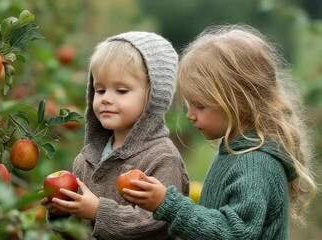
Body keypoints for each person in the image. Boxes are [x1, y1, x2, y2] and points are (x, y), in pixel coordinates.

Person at [122, 24, 318, 239]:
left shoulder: (254, 165)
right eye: (189, 105)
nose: (190, 115)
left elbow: (235, 234)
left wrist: (169, 206)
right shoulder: (236, 153)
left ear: (237, 101)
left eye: (200, 105)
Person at [41, 31, 190, 239]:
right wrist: (62, 212)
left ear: (153, 96)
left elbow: (156, 223)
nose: (106, 99)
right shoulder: (87, 160)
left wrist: (97, 212)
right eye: (100, 90)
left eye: (121, 91)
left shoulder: (162, 158)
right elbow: (76, 232)